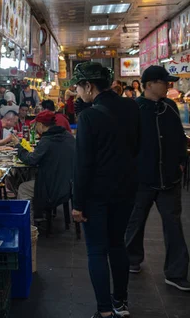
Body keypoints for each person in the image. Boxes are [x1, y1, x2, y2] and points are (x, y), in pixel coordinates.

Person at [71, 62, 141, 318]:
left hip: (97, 195)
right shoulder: (132, 106)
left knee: (97, 250)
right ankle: (121, 304)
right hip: (126, 190)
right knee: (117, 245)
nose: (77, 92)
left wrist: (77, 204)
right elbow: (137, 146)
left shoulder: (90, 116)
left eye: (78, 86)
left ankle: (104, 311)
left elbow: (83, 164)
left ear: (89, 86)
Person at [125, 66, 190, 291]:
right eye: (164, 82)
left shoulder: (170, 107)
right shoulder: (133, 109)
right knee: (134, 222)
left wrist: (181, 161)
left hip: (169, 178)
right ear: (150, 84)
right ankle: (131, 259)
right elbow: (125, 144)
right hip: (141, 179)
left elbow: (179, 138)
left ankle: (176, 272)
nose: (168, 86)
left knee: (173, 226)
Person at [14, 110, 75, 224]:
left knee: (23, 188)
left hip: (53, 186)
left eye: (36, 125)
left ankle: (28, 228)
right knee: (32, 176)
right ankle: (38, 213)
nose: (35, 128)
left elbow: (30, 160)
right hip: (69, 183)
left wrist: (19, 146)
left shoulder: (47, 140)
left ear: (41, 125)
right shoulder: (67, 135)